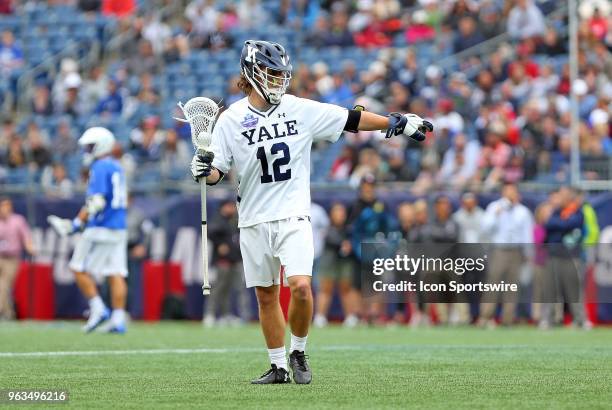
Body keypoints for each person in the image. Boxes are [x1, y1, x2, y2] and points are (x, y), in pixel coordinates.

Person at [190, 40, 432, 384]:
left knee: (301, 287)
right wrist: (204, 170)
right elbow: (216, 171)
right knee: (266, 295)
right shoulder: (230, 120)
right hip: (254, 218)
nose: (277, 81)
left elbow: (351, 118)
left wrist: (395, 122)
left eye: (280, 74)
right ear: (251, 73)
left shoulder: (298, 108)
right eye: (270, 74)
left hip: (293, 214)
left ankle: (298, 350)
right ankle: (277, 367)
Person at [47, 127, 129, 334]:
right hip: (119, 225)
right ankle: (118, 319)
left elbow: (96, 202)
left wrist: (75, 224)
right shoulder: (116, 166)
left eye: (90, 146)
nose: (87, 150)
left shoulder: (101, 166)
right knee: (116, 272)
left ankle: (98, 308)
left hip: (102, 226)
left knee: (77, 267)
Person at [479, 184, 533, 327]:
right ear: (503, 192)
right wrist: (497, 214)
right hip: (499, 250)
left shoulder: (523, 211)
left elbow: (527, 234)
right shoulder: (494, 207)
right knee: (493, 284)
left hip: (516, 251)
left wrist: (528, 252)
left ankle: (508, 318)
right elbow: (485, 228)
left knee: (512, 286)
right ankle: (485, 316)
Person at [313, 202, 357, 328]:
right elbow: (331, 239)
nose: (339, 215)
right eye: (337, 212)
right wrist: (342, 244)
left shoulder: (349, 229)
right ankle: (320, 317)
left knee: (346, 289)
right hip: (329, 261)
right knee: (325, 289)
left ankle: (350, 317)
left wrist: (349, 245)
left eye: (342, 212)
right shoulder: (327, 229)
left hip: (344, 262)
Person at [0, 197, 35, 320]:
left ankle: (3, 312)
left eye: (7, 205)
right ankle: (8, 314)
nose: (5, 208)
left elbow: (26, 237)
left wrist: (30, 247)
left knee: (4, 285)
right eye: (3, 206)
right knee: (3, 287)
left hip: (12, 259)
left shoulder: (18, 220)